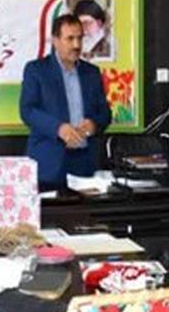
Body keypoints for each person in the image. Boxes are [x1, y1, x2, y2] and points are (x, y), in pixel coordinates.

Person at [19, 13, 112, 188]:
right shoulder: (36, 70)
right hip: (48, 165)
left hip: (85, 164)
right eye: (70, 39)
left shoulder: (91, 73)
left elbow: (105, 113)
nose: (76, 45)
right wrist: (58, 128)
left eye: (80, 38)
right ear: (55, 41)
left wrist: (94, 125)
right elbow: (27, 111)